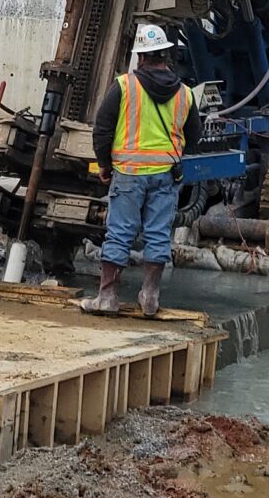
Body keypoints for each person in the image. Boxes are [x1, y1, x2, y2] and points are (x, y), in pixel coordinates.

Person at [82, 23, 194, 317]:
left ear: (141, 57)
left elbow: (102, 129)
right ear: (165, 55)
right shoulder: (185, 93)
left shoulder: (124, 86)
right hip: (166, 175)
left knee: (119, 233)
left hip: (129, 174)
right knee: (158, 234)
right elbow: (194, 135)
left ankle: (107, 297)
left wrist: (104, 164)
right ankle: (150, 297)